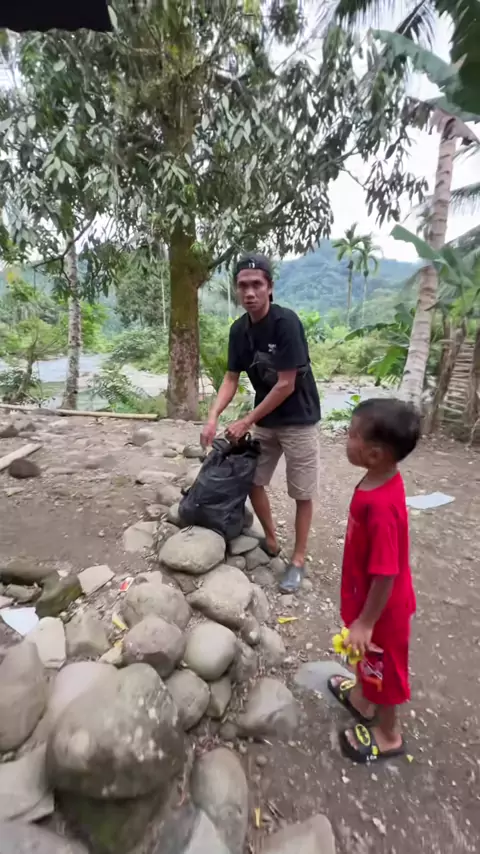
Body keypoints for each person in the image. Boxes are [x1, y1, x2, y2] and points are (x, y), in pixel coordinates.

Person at [200, 253, 321, 593]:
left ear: (270, 287)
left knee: (302, 492)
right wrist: (212, 417)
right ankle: (271, 539)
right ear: (236, 290)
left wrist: (245, 421)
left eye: (256, 284)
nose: (249, 292)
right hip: (266, 419)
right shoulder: (239, 330)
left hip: (299, 418)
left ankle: (298, 559)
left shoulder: (286, 323)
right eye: (243, 286)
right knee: (253, 480)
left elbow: (286, 384)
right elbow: (231, 378)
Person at [328, 398, 420, 763]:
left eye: (352, 435)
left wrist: (366, 621)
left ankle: (389, 735)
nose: (346, 438)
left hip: (383, 610)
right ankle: (363, 700)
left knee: (386, 671)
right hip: (368, 598)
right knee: (367, 657)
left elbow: (386, 573)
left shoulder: (381, 507)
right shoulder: (379, 478)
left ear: (374, 454)